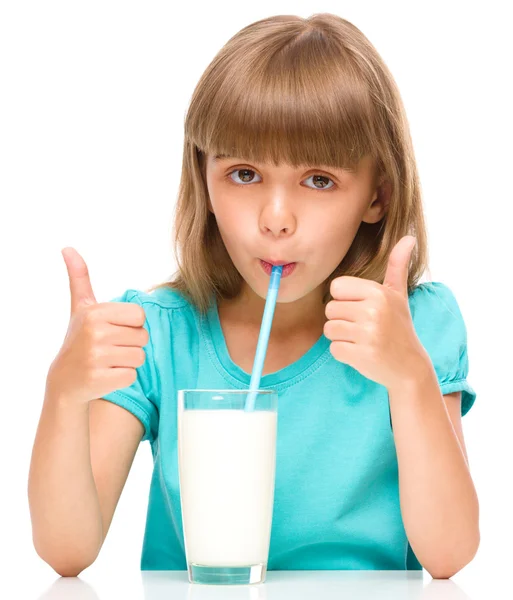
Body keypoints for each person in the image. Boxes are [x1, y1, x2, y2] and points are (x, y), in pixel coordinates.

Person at [28, 13, 479, 579]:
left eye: (319, 180)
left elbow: (450, 554)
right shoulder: (161, 334)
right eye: (244, 174)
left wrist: (410, 378)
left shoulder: (417, 328)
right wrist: (63, 396)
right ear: (205, 179)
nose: (276, 219)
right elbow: (67, 550)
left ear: (378, 197)